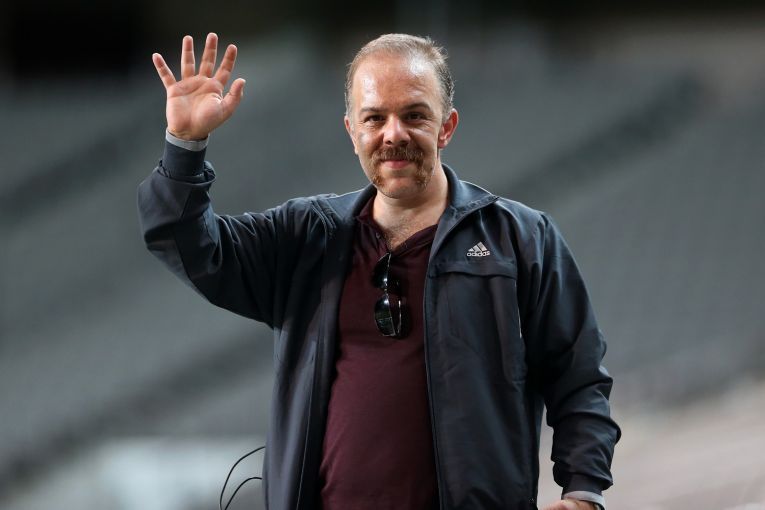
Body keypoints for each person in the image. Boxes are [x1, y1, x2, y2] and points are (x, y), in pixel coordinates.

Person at [138, 32, 620, 510]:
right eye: (375, 118)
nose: (394, 135)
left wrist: (583, 491)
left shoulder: (520, 238)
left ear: (446, 126)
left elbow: (578, 378)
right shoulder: (305, 236)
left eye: (414, 115)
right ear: (352, 131)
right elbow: (189, 245)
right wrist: (184, 145)